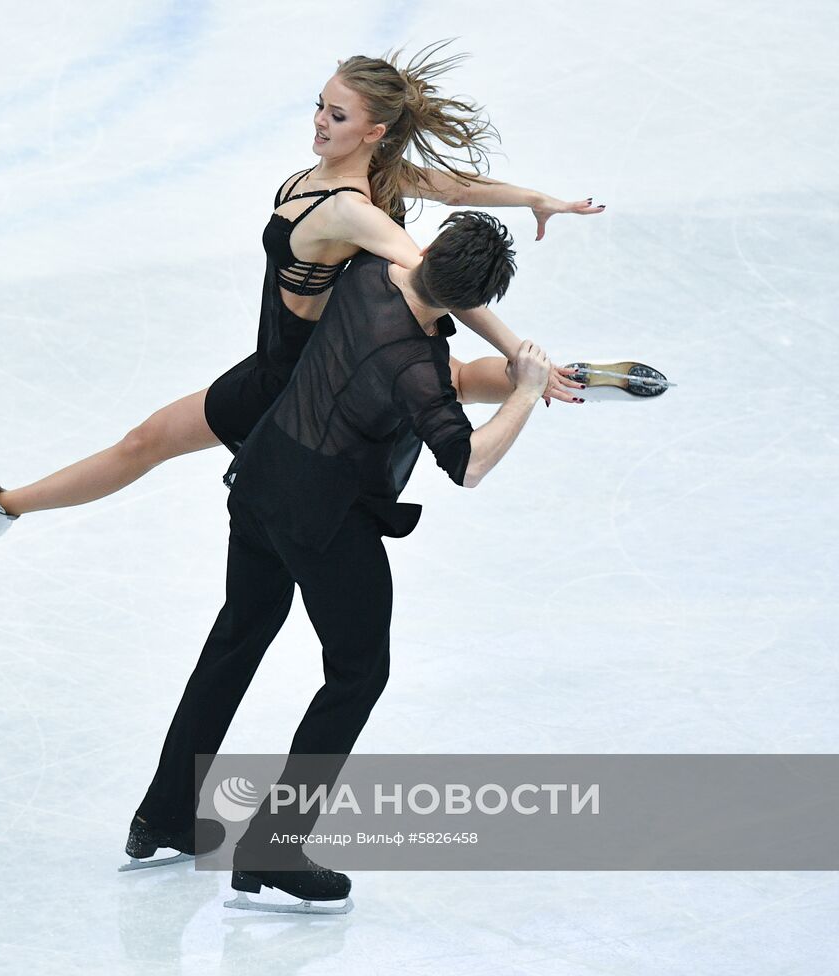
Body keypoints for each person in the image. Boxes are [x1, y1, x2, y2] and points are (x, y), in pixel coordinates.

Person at [0, 45, 601, 546]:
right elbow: (455, 187)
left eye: (339, 117)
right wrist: (537, 197)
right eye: (321, 106)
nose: (321, 122)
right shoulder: (370, 172)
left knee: (143, 444)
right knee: (447, 378)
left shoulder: (356, 207)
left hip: (294, 380)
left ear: (373, 132)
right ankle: (557, 378)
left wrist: (511, 342)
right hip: (310, 356)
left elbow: (433, 282)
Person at [125, 211, 550, 913]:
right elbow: (468, 464)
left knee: (240, 633)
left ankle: (163, 817)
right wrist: (528, 390)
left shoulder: (365, 274)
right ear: (477, 298)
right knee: (358, 674)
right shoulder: (417, 369)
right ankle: (276, 847)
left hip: (260, 483)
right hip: (322, 520)